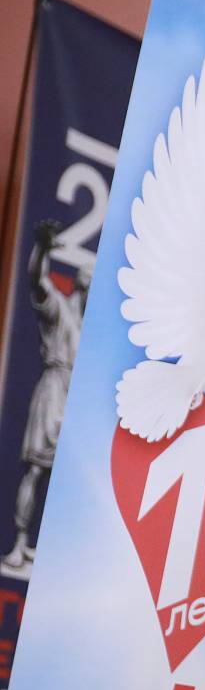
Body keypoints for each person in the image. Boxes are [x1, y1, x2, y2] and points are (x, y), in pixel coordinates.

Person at [2, 222, 86, 579]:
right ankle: (19, 542)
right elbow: (38, 279)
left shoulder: (89, 328)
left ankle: (41, 542)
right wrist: (42, 248)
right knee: (35, 469)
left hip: (74, 395)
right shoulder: (60, 310)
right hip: (53, 389)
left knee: (62, 476)